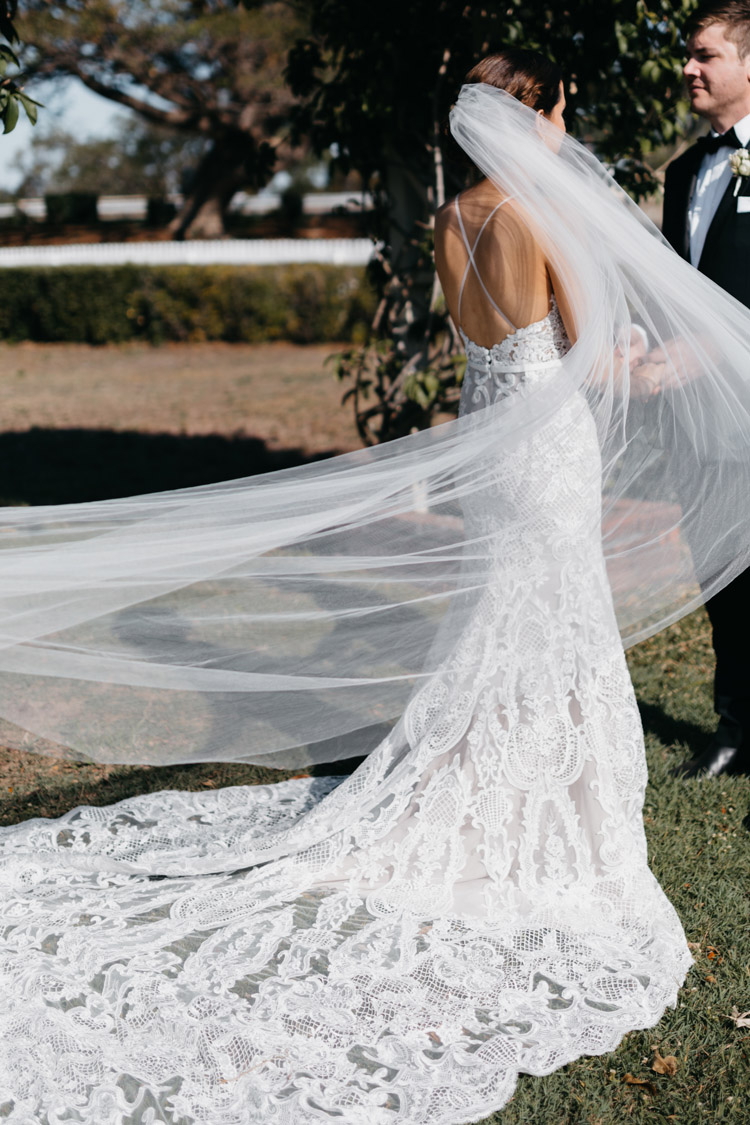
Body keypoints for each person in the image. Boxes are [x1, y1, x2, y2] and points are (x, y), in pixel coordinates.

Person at [2, 49, 750, 1125]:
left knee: (503, 626)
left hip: (494, 450)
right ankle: (541, 808)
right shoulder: (546, 220)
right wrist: (657, 359)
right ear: (535, 115)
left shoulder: (451, 224)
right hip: (548, 459)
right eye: (559, 113)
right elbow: (592, 355)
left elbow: (484, 348)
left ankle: (485, 773)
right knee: (556, 627)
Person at [662, 0, 750, 779]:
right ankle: (735, 724)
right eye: (688, 56)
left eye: (705, 55)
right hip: (699, 419)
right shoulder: (686, 170)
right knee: (722, 571)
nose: (688, 68)